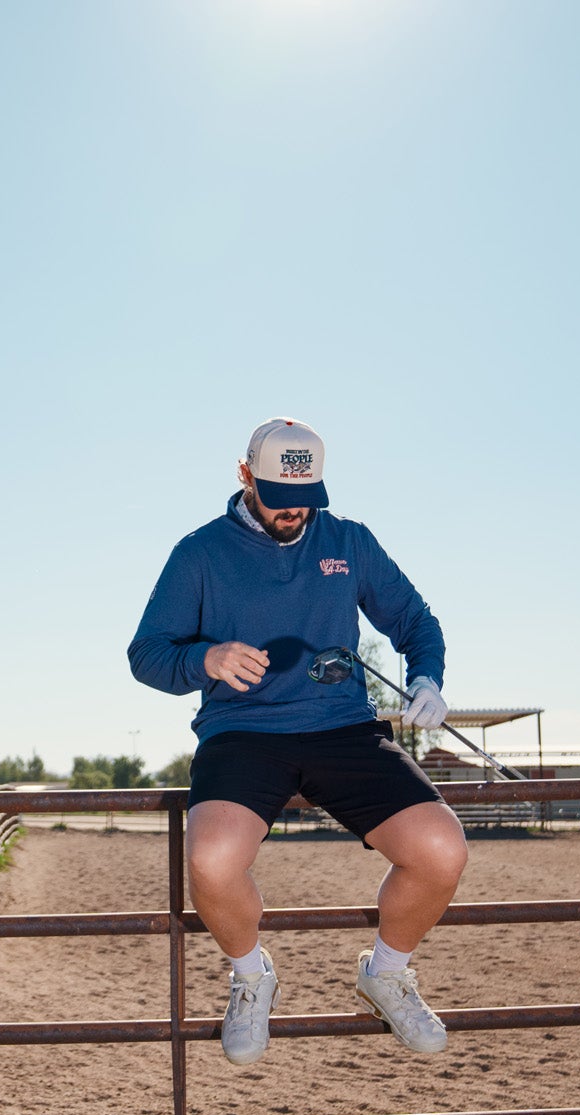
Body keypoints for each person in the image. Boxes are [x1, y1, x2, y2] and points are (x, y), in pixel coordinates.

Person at [127, 418, 466, 1062]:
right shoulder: (199, 553)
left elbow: (415, 620)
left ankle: (386, 973)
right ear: (245, 475)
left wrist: (427, 678)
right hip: (243, 732)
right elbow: (146, 655)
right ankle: (252, 977)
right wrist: (207, 658)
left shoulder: (349, 542)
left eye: (306, 500)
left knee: (441, 851)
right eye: (279, 500)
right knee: (211, 862)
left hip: (344, 728)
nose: (293, 515)